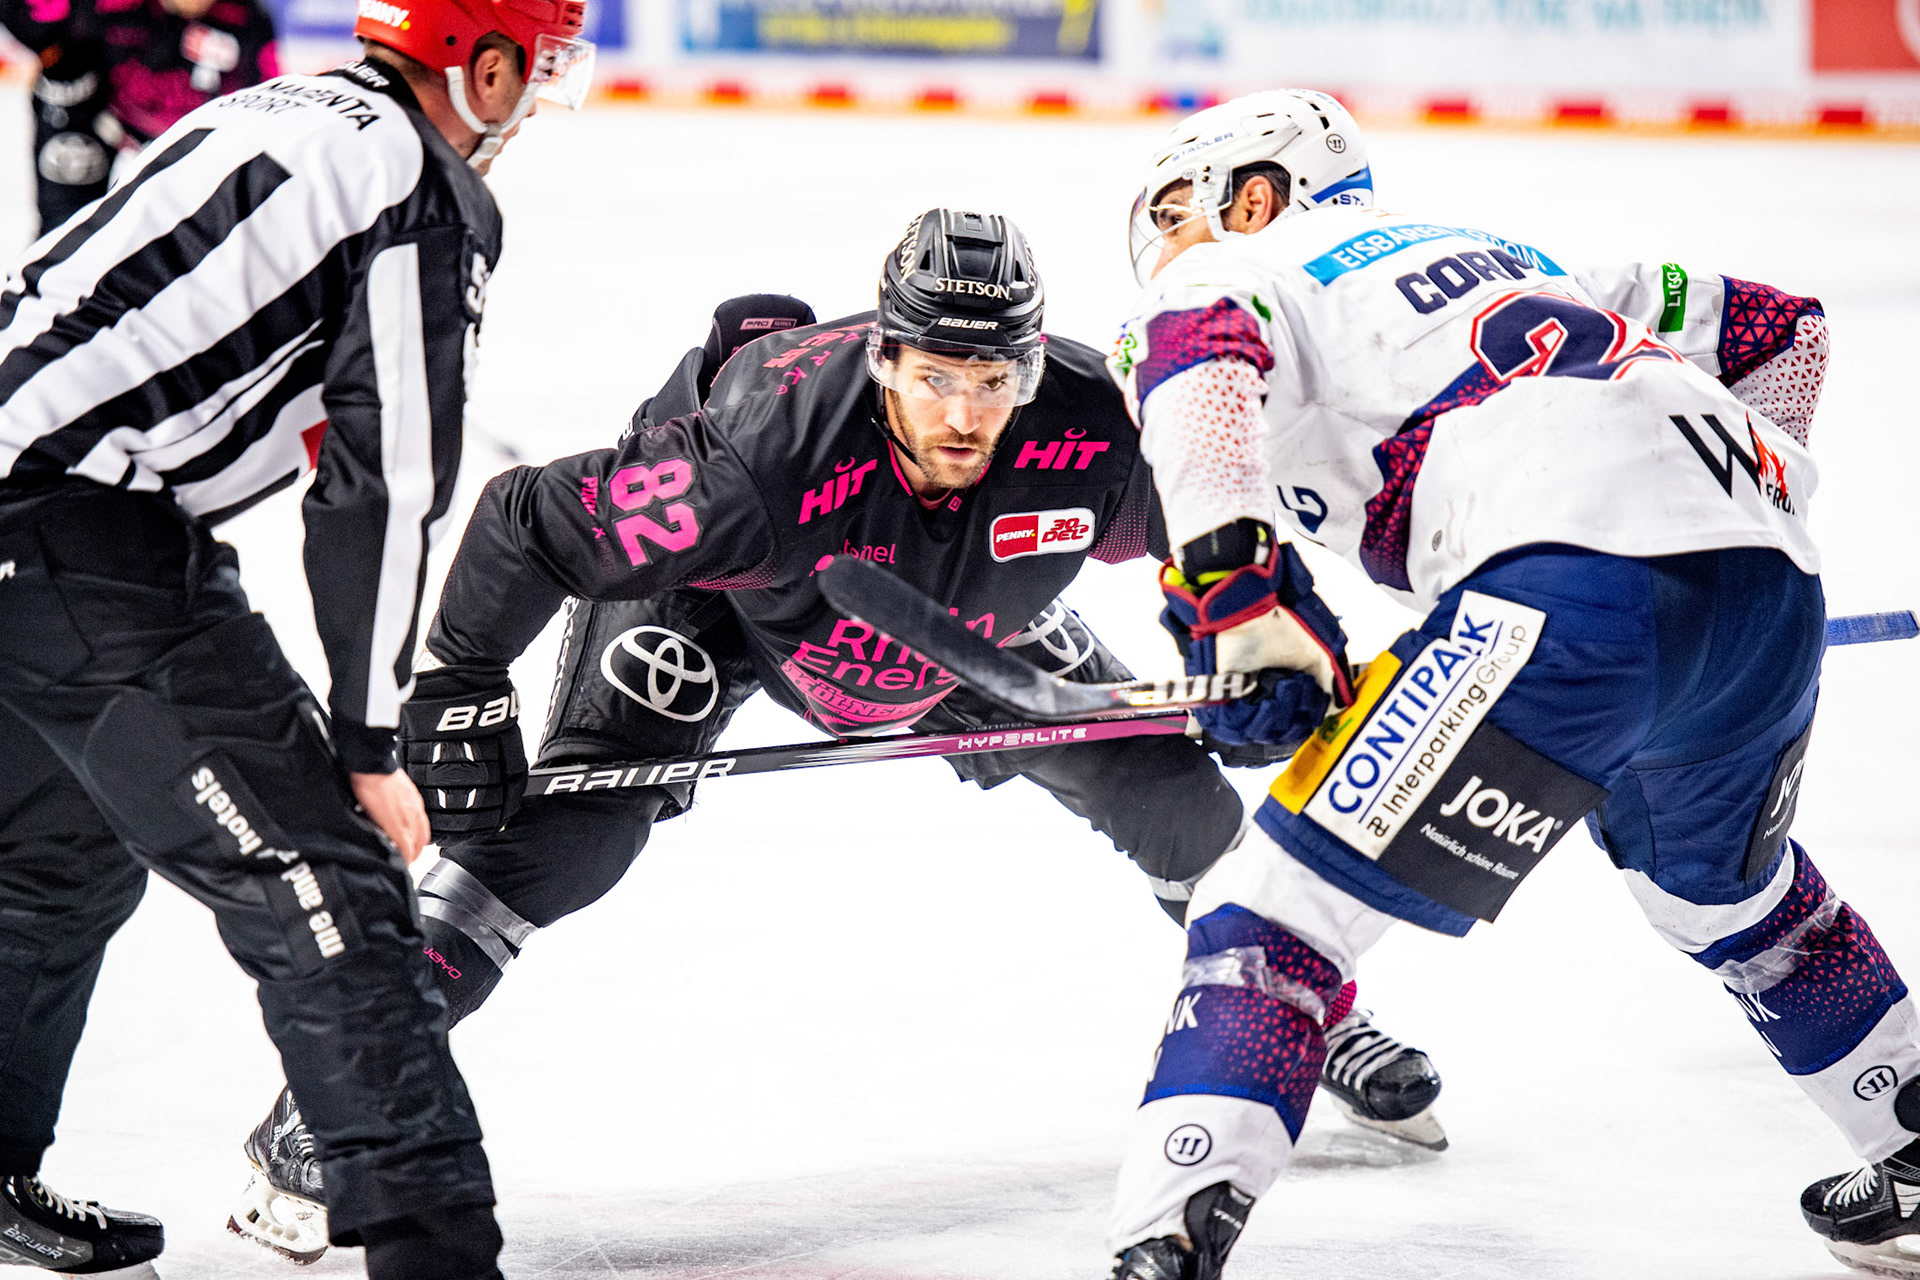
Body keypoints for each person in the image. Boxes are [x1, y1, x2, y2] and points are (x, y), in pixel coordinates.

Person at [230, 211, 1452, 1262]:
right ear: (882, 357)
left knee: (1173, 798)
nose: (965, 412)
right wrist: (459, 680)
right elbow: (529, 518)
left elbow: (1214, 513)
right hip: (732, 609)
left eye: (994, 380)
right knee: (566, 840)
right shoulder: (760, 454)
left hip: (957, 622)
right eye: (933, 376)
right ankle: (335, 1092)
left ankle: (1302, 1011)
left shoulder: (1092, 421)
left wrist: (1252, 642)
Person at [1091, 87, 1907, 1280]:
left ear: (1252, 193)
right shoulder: (1528, 263)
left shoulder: (1251, 266)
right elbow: (1786, 328)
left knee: (1265, 915)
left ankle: (1157, 1243)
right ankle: (1914, 1138)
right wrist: (1751, 487)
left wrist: (1236, 597)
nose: (1161, 245)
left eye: (1176, 208)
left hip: (1565, 599)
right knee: (1724, 894)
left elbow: (1198, 359)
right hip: (1768, 596)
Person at [0, 0, 595, 1271]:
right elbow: (382, 485)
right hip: (68, 523)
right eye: (535, 74)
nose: (538, 106)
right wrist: (369, 738)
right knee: (327, 887)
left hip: (40, 497)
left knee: (55, 853)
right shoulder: (420, 188)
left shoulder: (270, 108)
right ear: (481, 68)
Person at [1, 0, 278, 237]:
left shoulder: (246, 19)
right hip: (94, 113)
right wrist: (56, 57)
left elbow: (262, 107)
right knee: (65, 227)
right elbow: (31, 21)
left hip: (182, 137)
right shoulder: (108, 7)